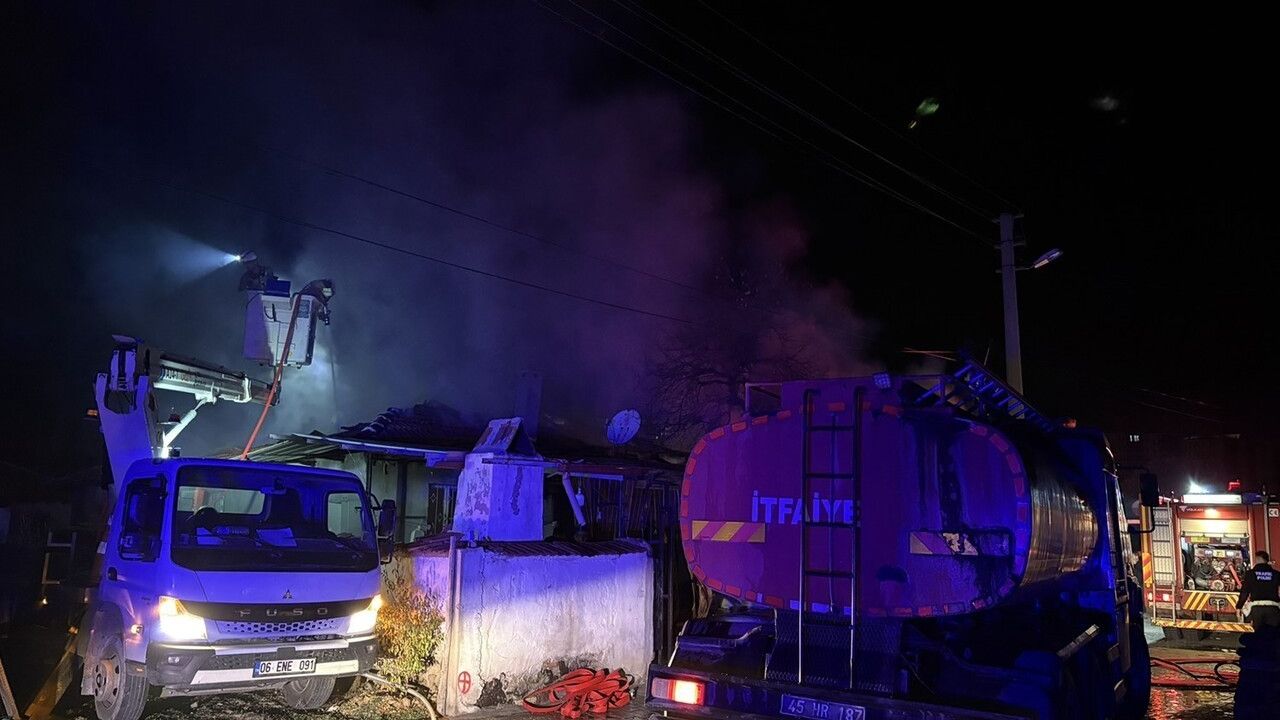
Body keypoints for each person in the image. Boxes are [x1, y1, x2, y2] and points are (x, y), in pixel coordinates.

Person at [1237, 550, 1280, 629]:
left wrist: (1239, 606)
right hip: (1273, 608)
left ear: (1257, 559)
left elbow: (1245, 592)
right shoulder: (1276, 574)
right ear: (1267, 560)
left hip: (1256, 609)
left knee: (1259, 632)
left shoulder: (1250, 574)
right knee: (1273, 633)